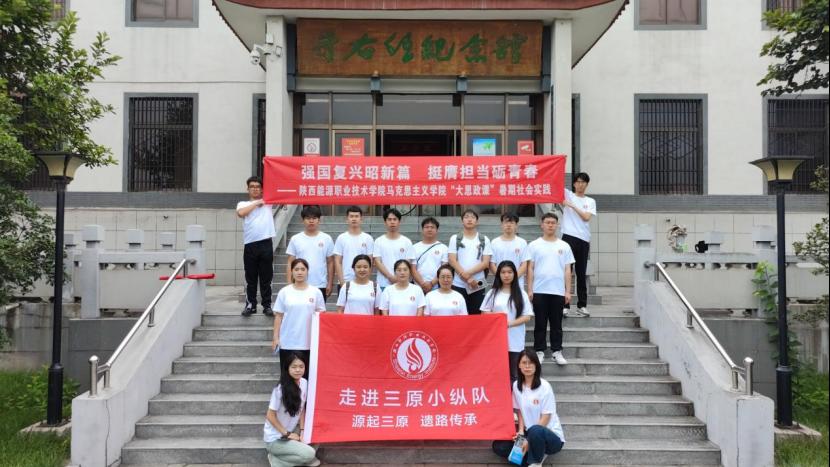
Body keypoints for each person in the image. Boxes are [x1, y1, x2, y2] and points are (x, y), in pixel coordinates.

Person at [492, 350, 565, 467]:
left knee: (535, 430)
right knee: (499, 446)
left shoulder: (545, 386)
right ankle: (535, 455)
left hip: (549, 436)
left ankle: (536, 461)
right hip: (528, 432)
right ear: (519, 365)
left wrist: (529, 440)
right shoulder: (516, 386)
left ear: (536, 365)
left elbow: (546, 417)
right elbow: (520, 410)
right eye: (524, 362)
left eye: (531, 363)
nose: (527, 366)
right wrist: (521, 432)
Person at [525, 213, 574, 365]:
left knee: (556, 324)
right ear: (542, 225)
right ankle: (539, 351)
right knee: (540, 323)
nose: (550, 225)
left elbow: (568, 270)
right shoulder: (534, 245)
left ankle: (556, 351)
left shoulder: (564, 246)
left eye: (553, 222)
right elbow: (530, 268)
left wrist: (567, 291)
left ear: (557, 225)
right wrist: (530, 289)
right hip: (539, 290)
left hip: (557, 291)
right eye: (547, 222)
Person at [262, 352, 321, 467]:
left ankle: (295, 457)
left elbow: (301, 409)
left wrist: (302, 430)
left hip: (293, 430)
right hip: (275, 439)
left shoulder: (304, 383)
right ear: (287, 368)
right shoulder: (280, 389)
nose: (298, 370)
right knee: (310, 454)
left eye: (301, 366)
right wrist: (287, 434)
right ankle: (277, 461)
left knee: (318, 433)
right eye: (294, 367)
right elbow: (270, 415)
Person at [480, 261, 533, 383]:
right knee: (496, 373)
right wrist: (499, 320)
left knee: (514, 375)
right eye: (503, 272)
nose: (506, 275)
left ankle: (513, 395)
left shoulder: (521, 293)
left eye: (509, 272)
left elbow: (527, 316)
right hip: (496, 340)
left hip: (515, 340)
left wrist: (508, 324)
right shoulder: (492, 293)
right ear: (498, 274)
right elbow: (484, 313)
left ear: (514, 274)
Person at [272, 259, 326, 378]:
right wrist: (276, 338)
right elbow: (278, 316)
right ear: (291, 271)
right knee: (287, 377)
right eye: (296, 269)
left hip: (308, 342)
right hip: (288, 342)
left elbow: (321, 316)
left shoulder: (316, 292)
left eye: (303, 269)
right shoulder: (284, 292)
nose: (300, 272)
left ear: (307, 271)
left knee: (306, 377)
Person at [237, 176, 275, 317]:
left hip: (266, 243)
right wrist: (257, 203)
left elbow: (281, 194)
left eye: (258, 187)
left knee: (266, 277)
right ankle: (250, 305)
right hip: (250, 245)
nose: (255, 189)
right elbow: (241, 213)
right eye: (252, 186)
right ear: (247, 189)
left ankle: (267, 305)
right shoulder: (242, 204)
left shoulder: (268, 202)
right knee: (250, 277)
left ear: (262, 189)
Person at [561, 172, 596, 318]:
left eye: (583, 182)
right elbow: (554, 183)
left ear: (587, 184)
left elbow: (586, 217)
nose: (580, 184)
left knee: (581, 273)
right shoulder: (568, 194)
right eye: (578, 182)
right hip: (568, 237)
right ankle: (564, 305)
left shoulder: (590, 201)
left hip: (583, 239)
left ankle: (582, 305)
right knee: (566, 271)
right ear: (574, 183)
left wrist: (572, 206)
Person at [448, 209, 492, 315]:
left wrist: (467, 275)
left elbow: (486, 263)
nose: (469, 219)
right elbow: (452, 260)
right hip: (458, 283)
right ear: (462, 221)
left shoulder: (484, 239)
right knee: (458, 314)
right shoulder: (455, 238)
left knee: (476, 314)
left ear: (477, 221)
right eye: (466, 217)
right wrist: (468, 278)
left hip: (479, 282)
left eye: (472, 217)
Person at [286, 205, 334, 301]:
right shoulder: (295, 239)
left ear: (319, 220)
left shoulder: (327, 239)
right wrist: (289, 284)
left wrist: (330, 283)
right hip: (299, 284)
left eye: (314, 218)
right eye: (308, 218)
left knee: (318, 311)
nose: (311, 221)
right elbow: (290, 262)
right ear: (302, 220)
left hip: (320, 285)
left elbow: (330, 262)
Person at [333, 206, 374, 292]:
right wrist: (342, 282)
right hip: (345, 281)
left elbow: (370, 261)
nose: (354, 219)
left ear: (361, 219)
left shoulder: (368, 238)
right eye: (351, 216)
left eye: (356, 216)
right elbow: (337, 261)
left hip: (363, 282)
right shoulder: (341, 238)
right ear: (347, 219)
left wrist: (366, 280)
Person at [373, 208, 414, 291]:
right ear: (385, 222)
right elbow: (377, 262)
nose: (392, 222)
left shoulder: (406, 241)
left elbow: (408, 262)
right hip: (383, 283)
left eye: (395, 219)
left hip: (402, 284)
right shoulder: (379, 241)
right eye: (389, 219)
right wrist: (390, 277)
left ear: (399, 221)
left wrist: (398, 277)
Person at [489, 212, 528, 291]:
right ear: (501, 225)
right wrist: (502, 277)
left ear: (516, 225)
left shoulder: (522, 242)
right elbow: (492, 264)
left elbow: (524, 264)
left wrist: (513, 278)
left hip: (517, 283)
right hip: (499, 283)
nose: (509, 225)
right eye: (506, 222)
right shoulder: (494, 242)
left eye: (512, 223)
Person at [412, 217, 448, 293]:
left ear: (437, 230)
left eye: (432, 227)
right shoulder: (414, 247)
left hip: (437, 287)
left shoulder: (443, 248)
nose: (429, 229)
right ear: (422, 230)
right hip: (418, 287)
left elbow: (443, 269)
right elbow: (413, 269)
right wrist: (422, 284)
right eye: (427, 227)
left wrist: (431, 284)